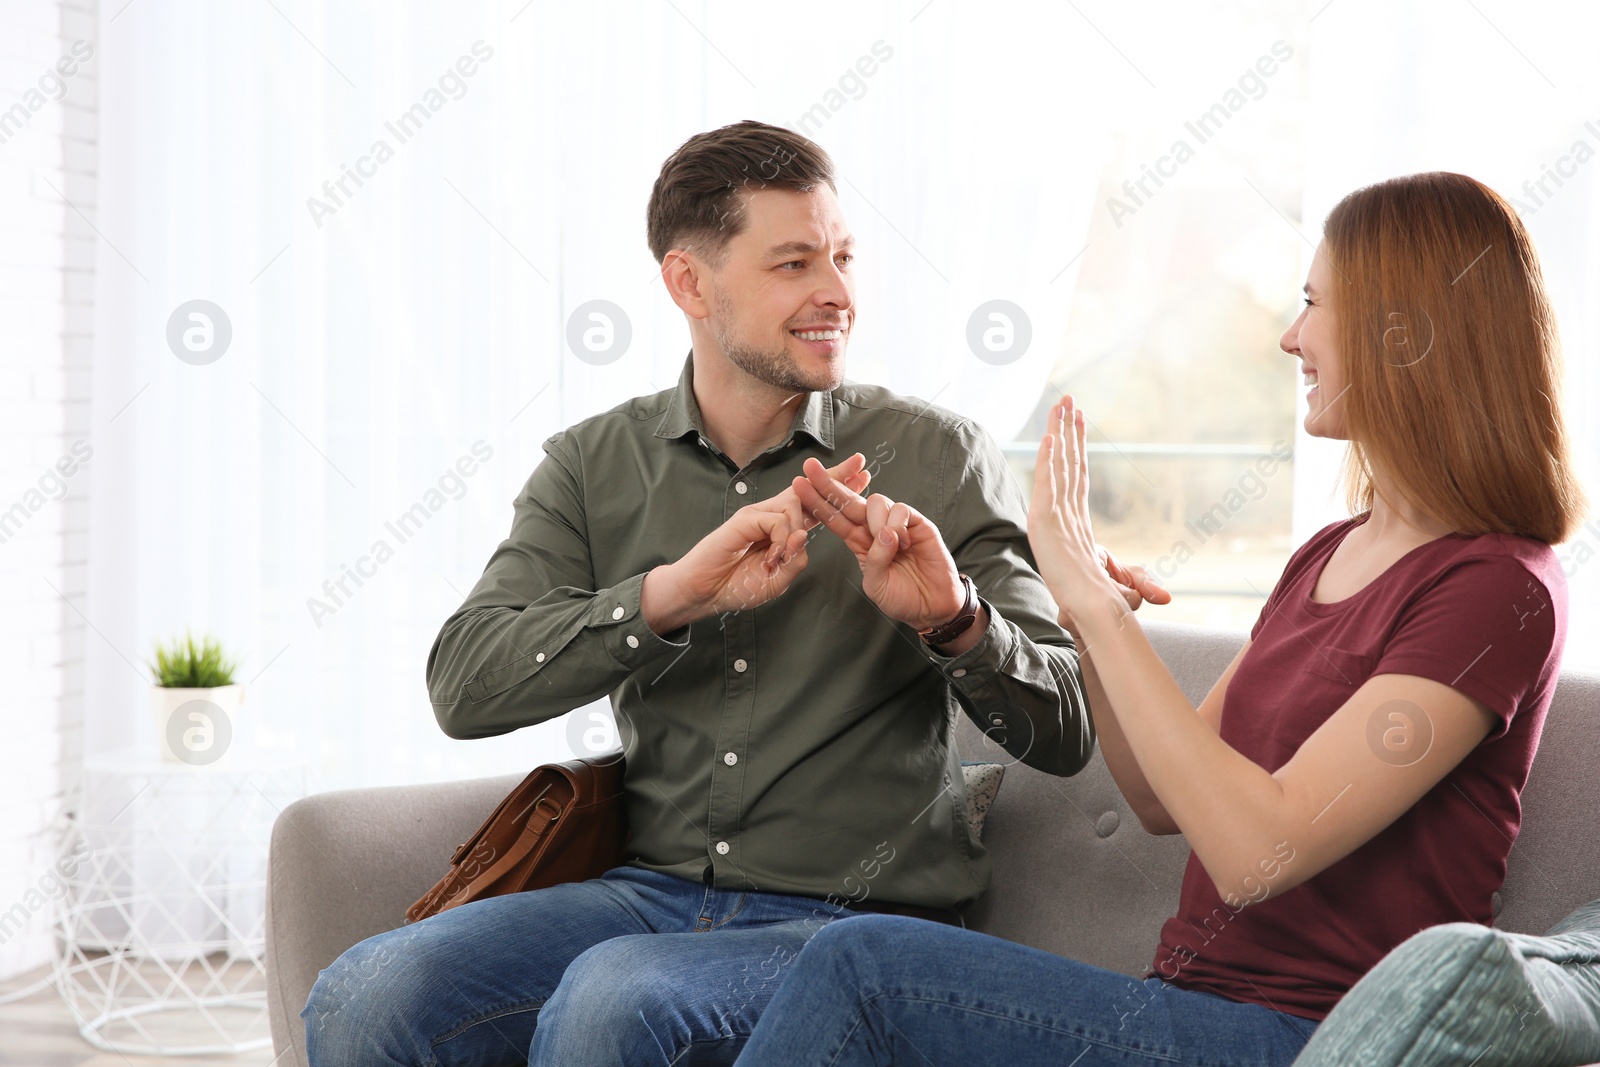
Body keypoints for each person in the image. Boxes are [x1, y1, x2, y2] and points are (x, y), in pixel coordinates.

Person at [301, 120, 1158, 1067]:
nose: (837, 293)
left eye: (842, 257)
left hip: (857, 920)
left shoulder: (939, 455)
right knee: (366, 990)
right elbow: (463, 686)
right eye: (794, 263)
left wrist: (953, 621)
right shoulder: (591, 467)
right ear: (689, 284)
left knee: (613, 999)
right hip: (648, 893)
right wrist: (666, 596)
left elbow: (1067, 725)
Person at [732, 170, 1584, 1067]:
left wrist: (1099, 613)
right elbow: (1153, 797)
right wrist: (1090, 612)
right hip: (1183, 1007)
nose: (1294, 338)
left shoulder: (1498, 590)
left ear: (1405, 333)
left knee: (862, 966)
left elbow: (1260, 849)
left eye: (1314, 303)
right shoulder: (1332, 552)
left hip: (1303, 1038)